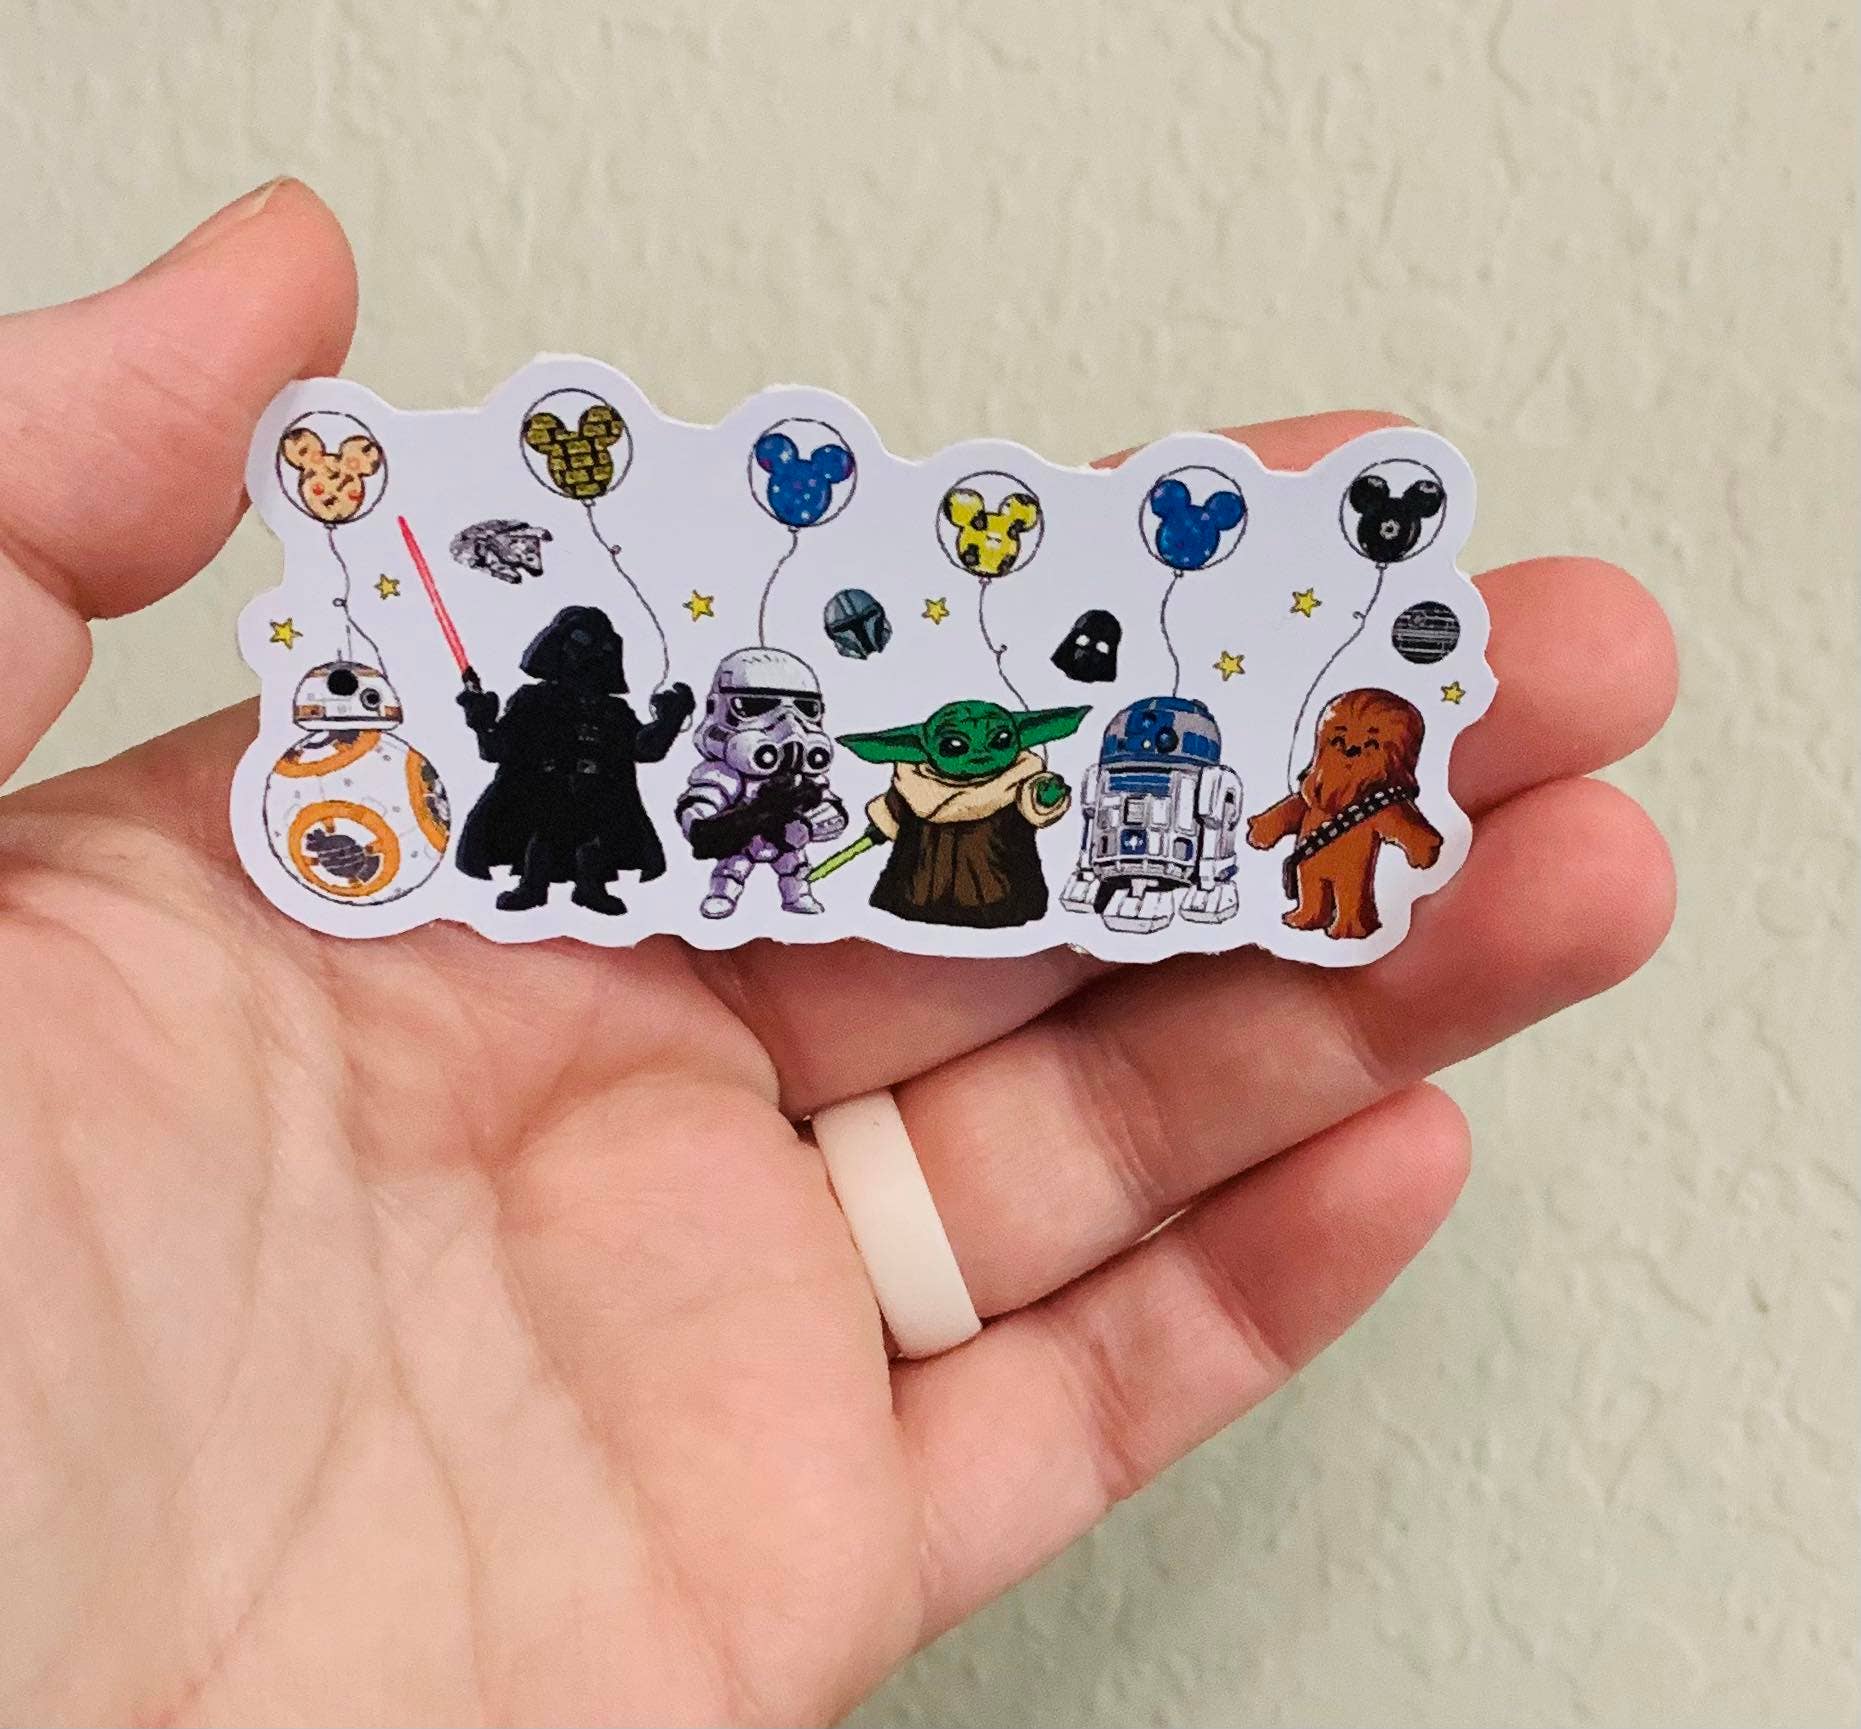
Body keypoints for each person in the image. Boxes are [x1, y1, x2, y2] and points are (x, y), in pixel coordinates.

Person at [0, 182, 1676, 1723]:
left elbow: (750, 754)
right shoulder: (658, 722)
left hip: (771, 863)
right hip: (582, 848)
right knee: (573, 842)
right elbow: (630, 746)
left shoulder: (891, 749)